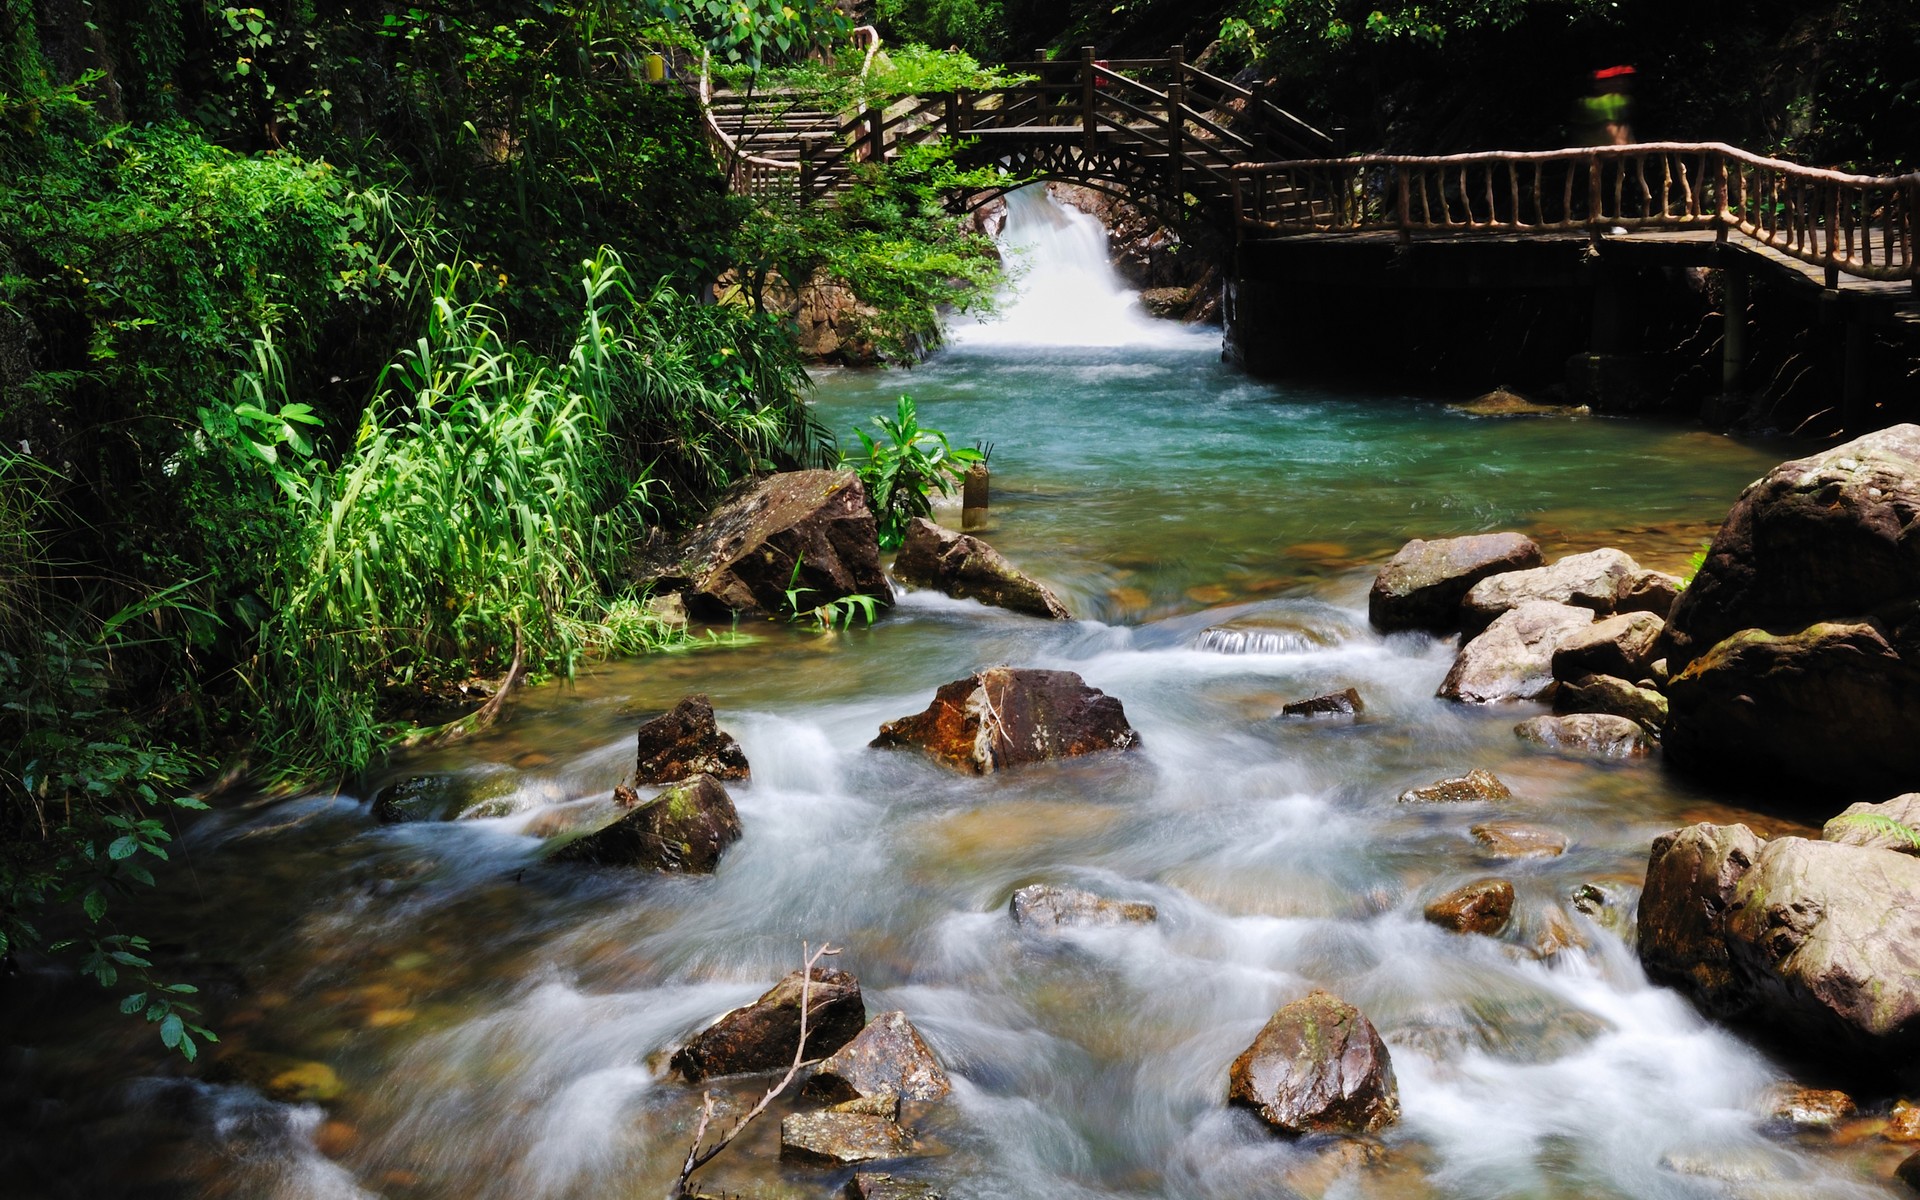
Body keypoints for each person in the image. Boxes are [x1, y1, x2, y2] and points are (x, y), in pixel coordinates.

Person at [1577, 65, 1635, 146]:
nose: (1620, 83)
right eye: (1614, 80)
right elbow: (1610, 127)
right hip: (1605, 149)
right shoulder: (1587, 103)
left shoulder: (1623, 100)